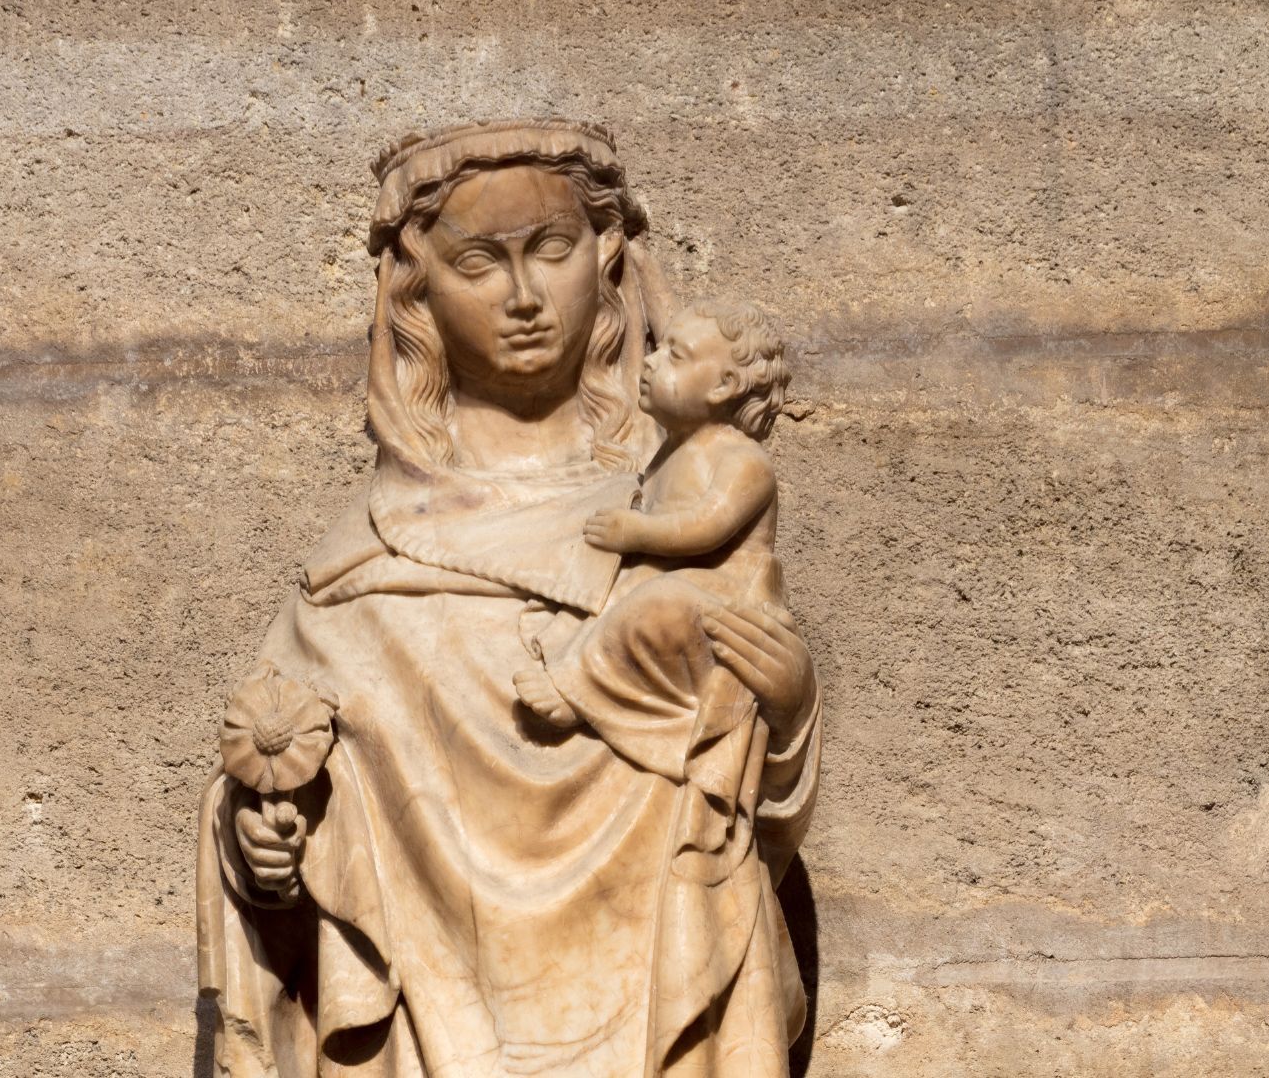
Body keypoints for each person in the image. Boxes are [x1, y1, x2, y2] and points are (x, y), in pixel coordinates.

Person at [198, 119, 822, 1077]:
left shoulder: (687, 509)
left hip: (660, 995)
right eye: (480, 262)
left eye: (554, 251)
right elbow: (288, 777)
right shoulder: (367, 559)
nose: (526, 297)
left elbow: (747, 816)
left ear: (608, 266)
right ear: (417, 292)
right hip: (435, 1029)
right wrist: (266, 844)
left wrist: (785, 717)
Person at [513, 298, 792, 787]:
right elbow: (672, 326)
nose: (650, 360)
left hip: (727, 601)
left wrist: (636, 531)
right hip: (678, 581)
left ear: (725, 387)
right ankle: (564, 649)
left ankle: (576, 688)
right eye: (657, 349)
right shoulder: (676, 445)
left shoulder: (743, 461)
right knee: (619, 588)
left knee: (656, 600)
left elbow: (707, 526)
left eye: (673, 356)